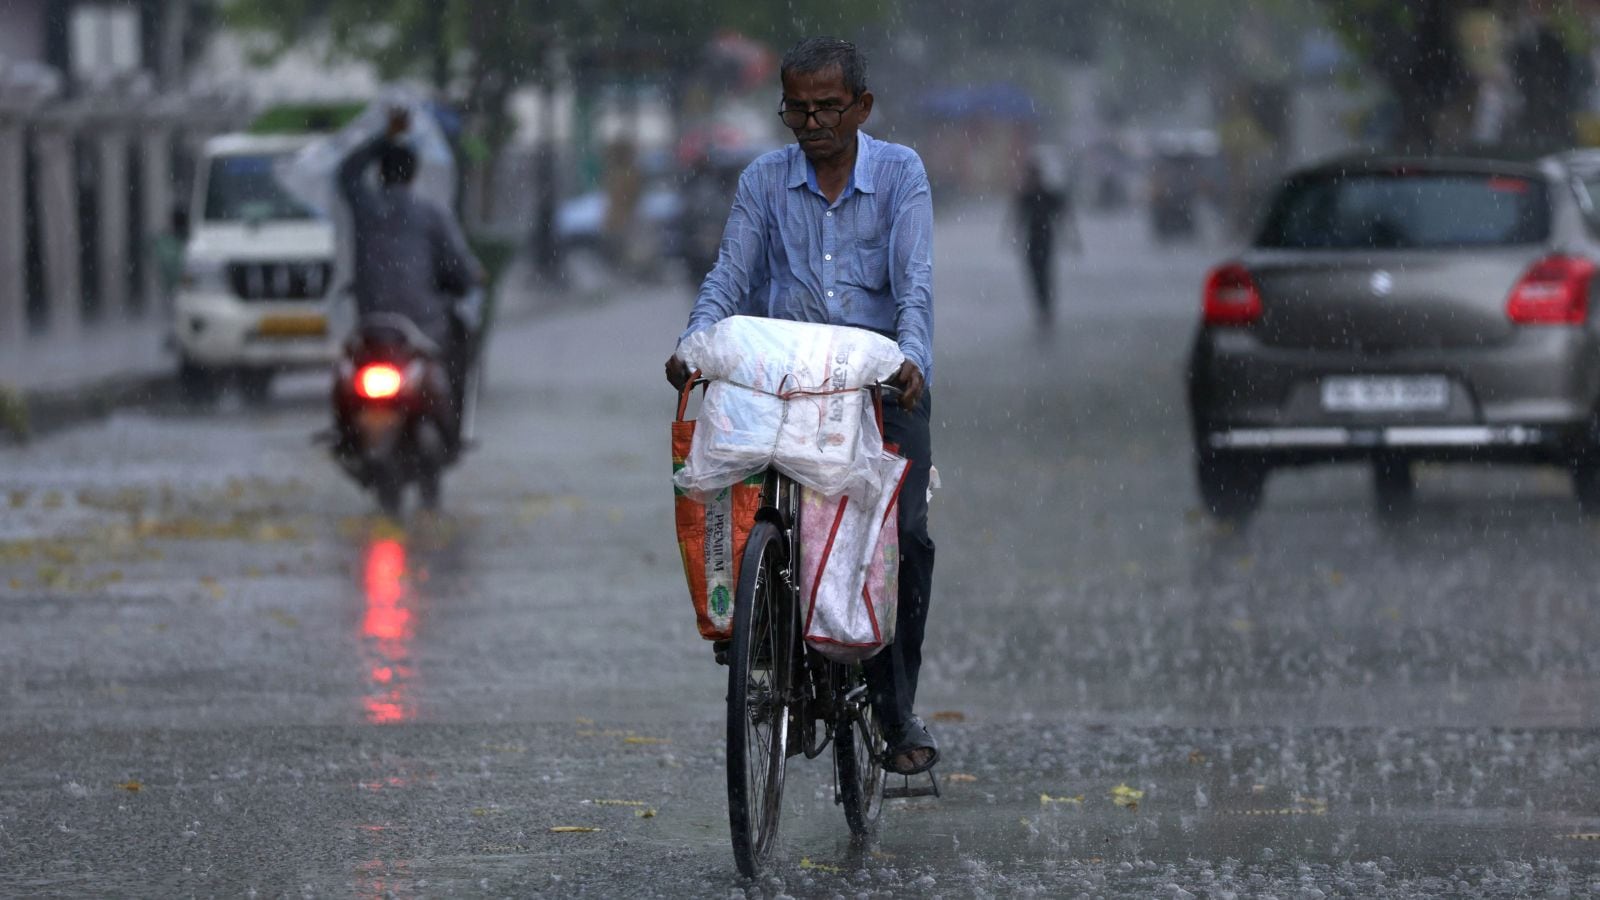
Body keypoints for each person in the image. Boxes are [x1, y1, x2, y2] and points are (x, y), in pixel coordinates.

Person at [664, 37, 939, 776]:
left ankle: (893, 707)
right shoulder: (762, 180)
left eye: (828, 108)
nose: (812, 123)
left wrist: (911, 361)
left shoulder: (900, 174)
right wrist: (695, 342)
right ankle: (759, 633)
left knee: (902, 540)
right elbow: (729, 276)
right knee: (734, 494)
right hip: (782, 382)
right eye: (798, 109)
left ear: (862, 108)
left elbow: (914, 290)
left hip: (876, 386)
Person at [337, 108, 483, 451]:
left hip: (370, 327)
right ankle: (455, 434)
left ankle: (346, 436)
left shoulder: (364, 207)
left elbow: (346, 173)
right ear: (414, 174)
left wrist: (382, 138)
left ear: (380, 173)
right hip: (423, 329)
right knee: (460, 348)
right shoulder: (431, 214)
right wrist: (470, 278)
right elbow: (459, 268)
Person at [1013, 157, 1069, 324]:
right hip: (1032, 240)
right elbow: (1017, 218)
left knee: (1044, 275)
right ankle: (1042, 309)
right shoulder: (1027, 195)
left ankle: (1046, 310)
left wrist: (1070, 237)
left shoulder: (1046, 194)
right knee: (1035, 276)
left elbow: (1063, 212)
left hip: (1045, 240)